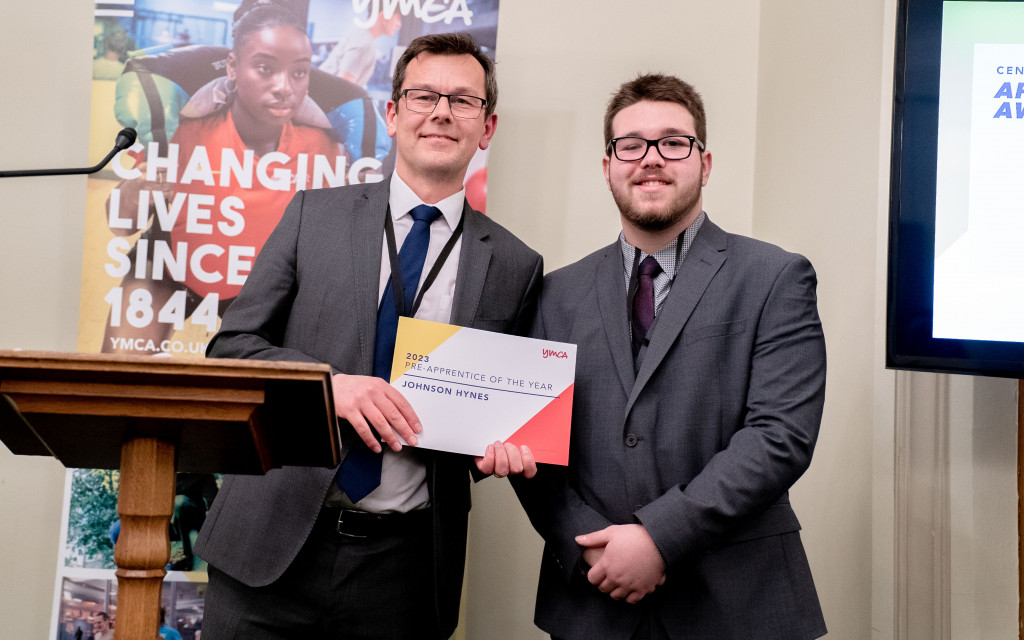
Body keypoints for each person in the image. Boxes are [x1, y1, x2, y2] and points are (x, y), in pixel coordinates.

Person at [193, 32, 542, 639]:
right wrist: (331, 388)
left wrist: (501, 449)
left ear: (486, 127)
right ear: (393, 112)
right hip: (271, 549)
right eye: (424, 95)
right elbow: (232, 350)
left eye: (462, 101)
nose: (440, 112)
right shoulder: (312, 215)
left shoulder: (516, 265)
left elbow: (494, 412)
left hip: (404, 570)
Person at [513, 73, 828, 640]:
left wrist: (658, 538)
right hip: (594, 601)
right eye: (630, 145)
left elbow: (780, 437)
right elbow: (538, 450)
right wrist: (590, 548)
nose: (650, 159)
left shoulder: (775, 276)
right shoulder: (556, 294)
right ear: (607, 165)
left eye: (673, 142)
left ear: (704, 163)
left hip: (737, 605)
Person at [102, 0, 340, 354]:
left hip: (262, 282)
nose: (282, 87)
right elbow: (118, 223)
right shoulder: (184, 128)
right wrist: (140, 190)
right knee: (117, 371)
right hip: (172, 262)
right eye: (264, 67)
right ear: (232, 65)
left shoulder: (322, 146)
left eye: (297, 72)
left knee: (277, 391)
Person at [319, 8, 401, 87]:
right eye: (397, 18)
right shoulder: (364, 44)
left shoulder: (360, 35)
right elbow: (342, 88)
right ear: (383, 16)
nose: (399, 24)